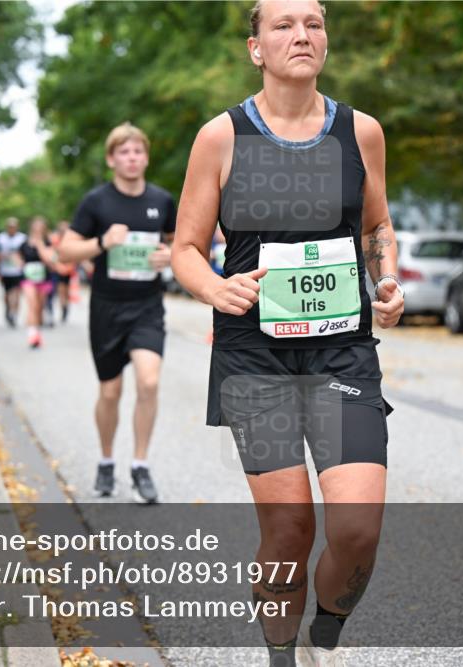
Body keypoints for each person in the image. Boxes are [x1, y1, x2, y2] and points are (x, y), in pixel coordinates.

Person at [170, 2, 404, 665]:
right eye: (284, 24)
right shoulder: (221, 137)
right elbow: (186, 246)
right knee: (290, 528)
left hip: (342, 352)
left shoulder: (362, 132)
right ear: (255, 47)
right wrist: (215, 286)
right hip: (254, 358)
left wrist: (386, 282)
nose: (302, 34)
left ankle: (327, 619)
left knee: (357, 529)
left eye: (315, 23)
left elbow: (377, 226)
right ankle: (280, 653)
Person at [56, 122, 176, 504]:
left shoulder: (162, 200)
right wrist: (101, 242)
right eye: (124, 152)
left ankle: (140, 466)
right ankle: (106, 460)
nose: (132, 158)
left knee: (149, 382)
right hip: (107, 307)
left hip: (147, 306)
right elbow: (64, 252)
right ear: (112, 159)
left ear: (146, 156)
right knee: (110, 391)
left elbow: (180, 246)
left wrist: (168, 256)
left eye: (138, 151)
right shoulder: (96, 202)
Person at [19, 217, 58, 348]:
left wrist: (40, 245)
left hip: (43, 278)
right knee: (32, 304)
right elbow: (18, 255)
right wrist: (20, 264)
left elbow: (51, 261)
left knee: (39, 307)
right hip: (28, 278)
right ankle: (32, 334)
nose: (37, 230)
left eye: (40, 227)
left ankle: (37, 330)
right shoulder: (24, 243)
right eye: (35, 227)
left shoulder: (47, 242)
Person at [0, 217, 27, 327]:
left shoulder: (22, 238)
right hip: (5, 270)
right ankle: (8, 309)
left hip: (18, 271)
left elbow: (25, 254)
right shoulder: (1, 238)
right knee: (7, 293)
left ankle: (14, 313)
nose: (11, 229)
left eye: (13, 227)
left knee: (16, 293)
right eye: (10, 227)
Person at [52, 220, 80, 322]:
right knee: (61, 290)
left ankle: (66, 306)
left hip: (69, 269)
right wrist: (57, 265)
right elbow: (53, 254)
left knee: (67, 291)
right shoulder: (55, 239)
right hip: (59, 269)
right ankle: (63, 307)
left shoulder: (71, 240)